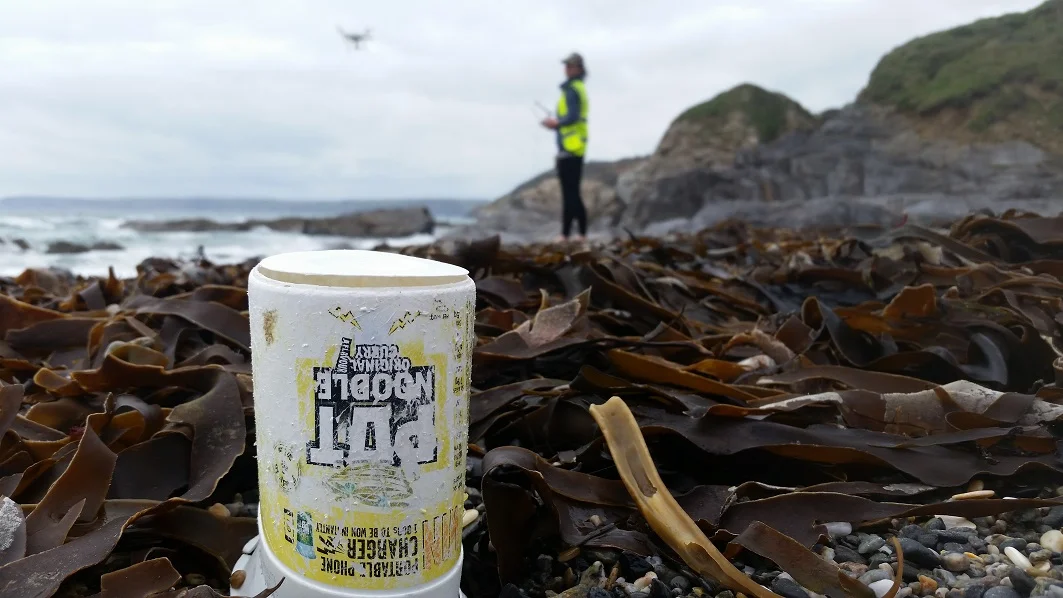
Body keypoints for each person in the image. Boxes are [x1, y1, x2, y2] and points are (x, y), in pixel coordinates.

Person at [541, 52, 589, 243]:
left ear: (578, 69)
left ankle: (568, 234)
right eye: (566, 66)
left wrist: (556, 123)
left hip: (571, 147)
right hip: (573, 146)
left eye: (570, 66)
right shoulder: (576, 88)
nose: (567, 69)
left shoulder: (572, 90)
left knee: (570, 193)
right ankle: (576, 233)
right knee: (572, 192)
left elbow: (573, 116)